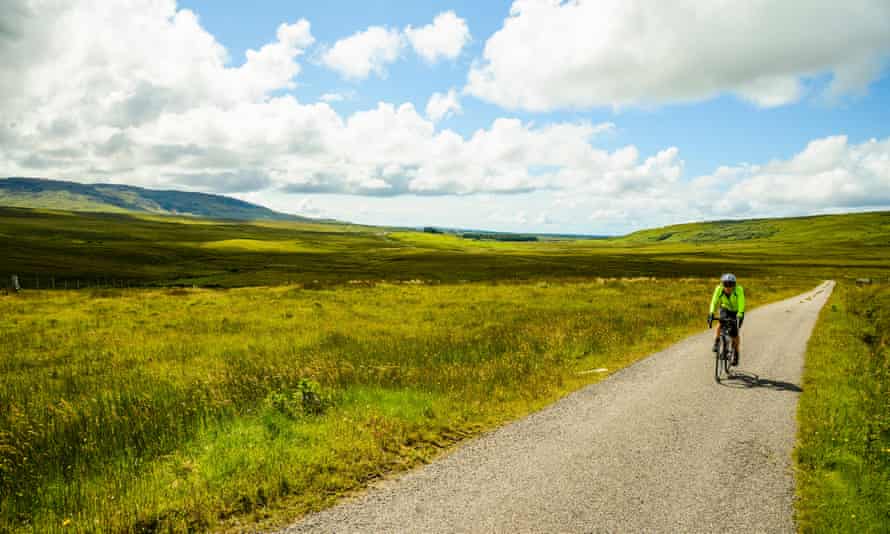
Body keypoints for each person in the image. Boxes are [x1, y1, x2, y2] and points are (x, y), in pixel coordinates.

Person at [709, 273, 745, 365]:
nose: (728, 287)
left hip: (736, 311)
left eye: (731, 285)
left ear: (735, 285)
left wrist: (740, 314)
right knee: (721, 323)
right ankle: (717, 341)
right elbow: (714, 301)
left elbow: (741, 302)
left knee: (734, 334)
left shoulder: (739, 290)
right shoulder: (719, 289)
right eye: (726, 284)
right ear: (722, 284)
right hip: (725, 308)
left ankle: (736, 353)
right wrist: (711, 313)